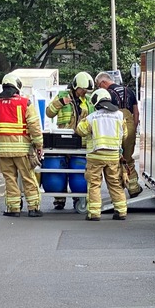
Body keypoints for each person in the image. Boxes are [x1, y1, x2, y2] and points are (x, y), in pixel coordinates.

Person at [0, 73, 44, 218]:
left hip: (3, 151)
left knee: (10, 179)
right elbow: (34, 126)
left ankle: (13, 209)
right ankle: (33, 208)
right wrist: (39, 145)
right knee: (28, 177)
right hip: (22, 151)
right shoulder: (25, 103)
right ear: (17, 88)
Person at [75, 89, 128, 221]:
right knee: (115, 183)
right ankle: (121, 211)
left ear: (96, 102)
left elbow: (80, 131)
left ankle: (94, 213)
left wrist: (82, 119)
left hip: (95, 156)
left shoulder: (92, 117)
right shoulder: (120, 116)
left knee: (94, 184)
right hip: (113, 156)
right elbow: (125, 135)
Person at [45, 71, 95, 210]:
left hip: (82, 142)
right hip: (63, 141)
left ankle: (77, 198)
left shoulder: (89, 100)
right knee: (60, 169)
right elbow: (49, 112)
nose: (84, 93)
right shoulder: (62, 96)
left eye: (86, 91)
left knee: (77, 171)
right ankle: (59, 199)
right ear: (75, 86)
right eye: (82, 90)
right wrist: (61, 102)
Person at [94, 71, 142, 197]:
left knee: (115, 160)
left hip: (115, 129)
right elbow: (136, 113)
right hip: (130, 126)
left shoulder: (107, 94)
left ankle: (118, 190)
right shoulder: (129, 91)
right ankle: (133, 188)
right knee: (128, 159)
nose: (99, 89)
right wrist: (133, 128)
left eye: (99, 86)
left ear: (103, 82)